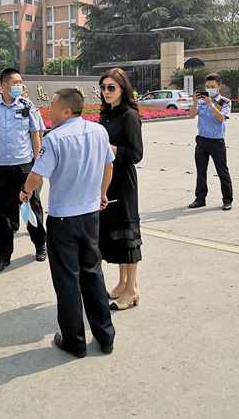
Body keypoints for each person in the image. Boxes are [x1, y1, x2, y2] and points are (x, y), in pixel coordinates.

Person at [20, 88, 115, 358]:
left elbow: (37, 175)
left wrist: (25, 192)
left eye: (52, 106)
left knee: (67, 279)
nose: (48, 110)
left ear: (66, 110)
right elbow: (109, 165)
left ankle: (74, 340)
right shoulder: (99, 131)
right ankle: (105, 335)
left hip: (63, 218)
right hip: (90, 215)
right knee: (92, 273)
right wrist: (102, 193)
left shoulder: (55, 138)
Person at [0, 68, 47, 273]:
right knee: (0, 213)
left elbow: (36, 134)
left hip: (24, 167)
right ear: (4, 85)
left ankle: (40, 244)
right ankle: (2, 255)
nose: (19, 85)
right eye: (15, 82)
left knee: (32, 207)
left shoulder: (28, 106)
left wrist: (38, 162)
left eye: (20, 82)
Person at [97, 68, 143, 311]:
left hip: (124, 181)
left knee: (127, 236)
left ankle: (132, 289)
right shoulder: (106, 114)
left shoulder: (129, 116)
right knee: (115, 234)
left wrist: (113, 149)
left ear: (123, 89)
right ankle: (123, 282)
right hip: (107, 179)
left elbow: (137, 154)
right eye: (103, 87)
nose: (106, 92)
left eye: (111, 88)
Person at [188, 73, 233, 211]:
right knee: (201, 172)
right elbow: (191, 115)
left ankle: (227, 200)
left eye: (212, 86)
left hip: (216, 142)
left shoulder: (224, 102)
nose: (209, 89)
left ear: (219, 86)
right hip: (202, 140)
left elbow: (220, 118)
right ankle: (200, 198)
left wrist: (211, 105)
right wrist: (195, 102)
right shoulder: (201, 101)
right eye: (207, 86)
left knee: (222, 172)